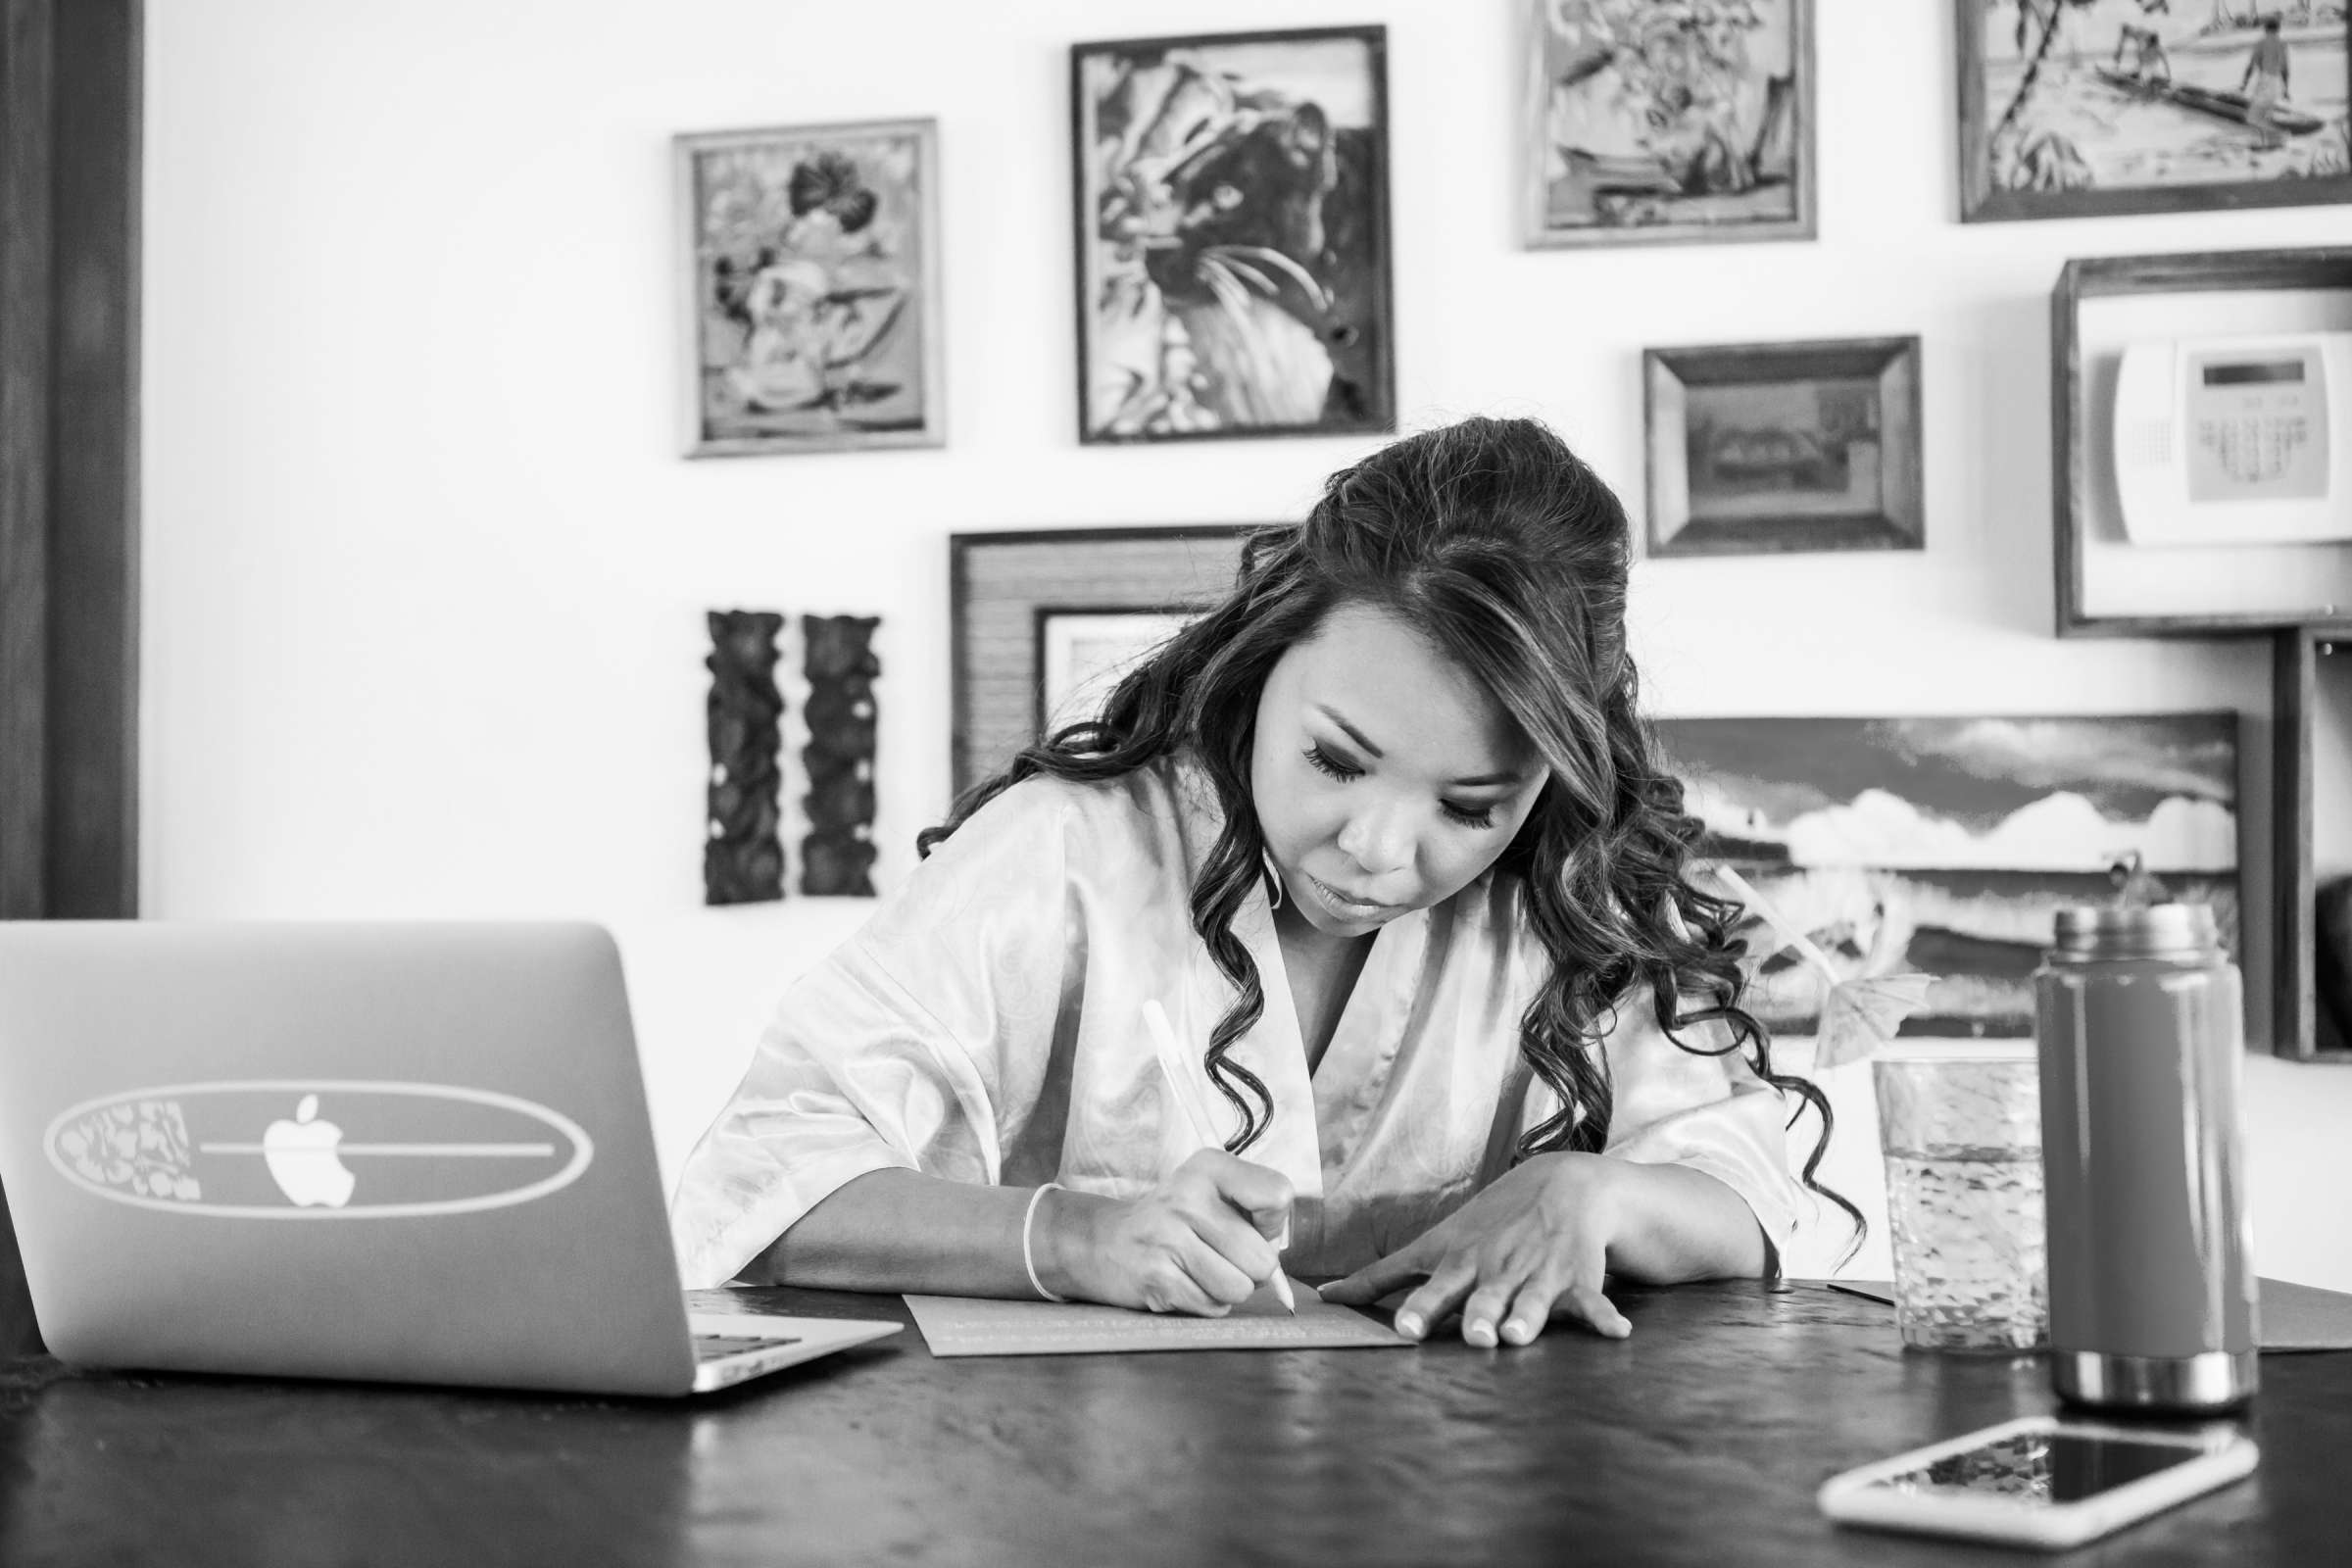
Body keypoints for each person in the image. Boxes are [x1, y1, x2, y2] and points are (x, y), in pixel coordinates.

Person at [668, 416, 1853, 1347]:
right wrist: (1073, 1237)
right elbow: (764, 1180)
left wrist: (1592, 1194)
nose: (1382, 850)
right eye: (1336, 759)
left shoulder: (1577, 899)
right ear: (1262, 656)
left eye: (1470, 805)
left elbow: (1746, 1195)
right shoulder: (1065, 852)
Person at [2240, 17, 2292, 151]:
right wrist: (2286, 90)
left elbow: (2251, 66)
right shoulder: (2282, 44)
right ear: (2278, 29)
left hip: (2265, 80)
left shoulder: (2261, 43)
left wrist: (2244, 84)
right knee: (2265, 115)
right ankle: (2267, 142)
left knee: (2252, 117)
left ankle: (2279, 136)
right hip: (2275, 82)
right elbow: (2285, 69)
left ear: (2265, 29)